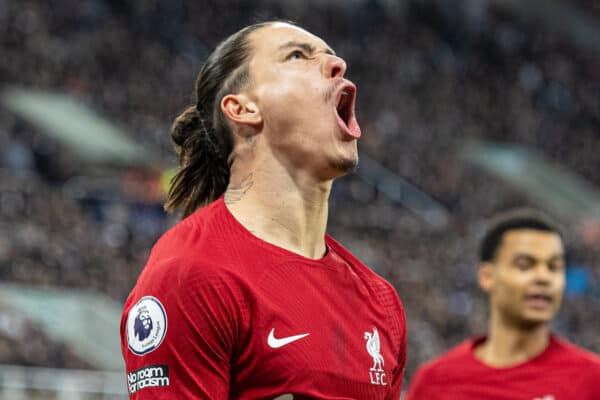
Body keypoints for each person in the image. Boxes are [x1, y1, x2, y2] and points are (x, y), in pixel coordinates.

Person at [120, 21, 406, 399]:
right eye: (298, 55)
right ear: (242, 109)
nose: (337, 64)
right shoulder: (192, 273)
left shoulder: (380, 300)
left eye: (332, 55)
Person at [406, 210, 600, 399]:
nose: (544, 278)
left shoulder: (592, 380)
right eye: (524, 265)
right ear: (487, 276)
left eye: (554, 267)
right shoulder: (434, 382)